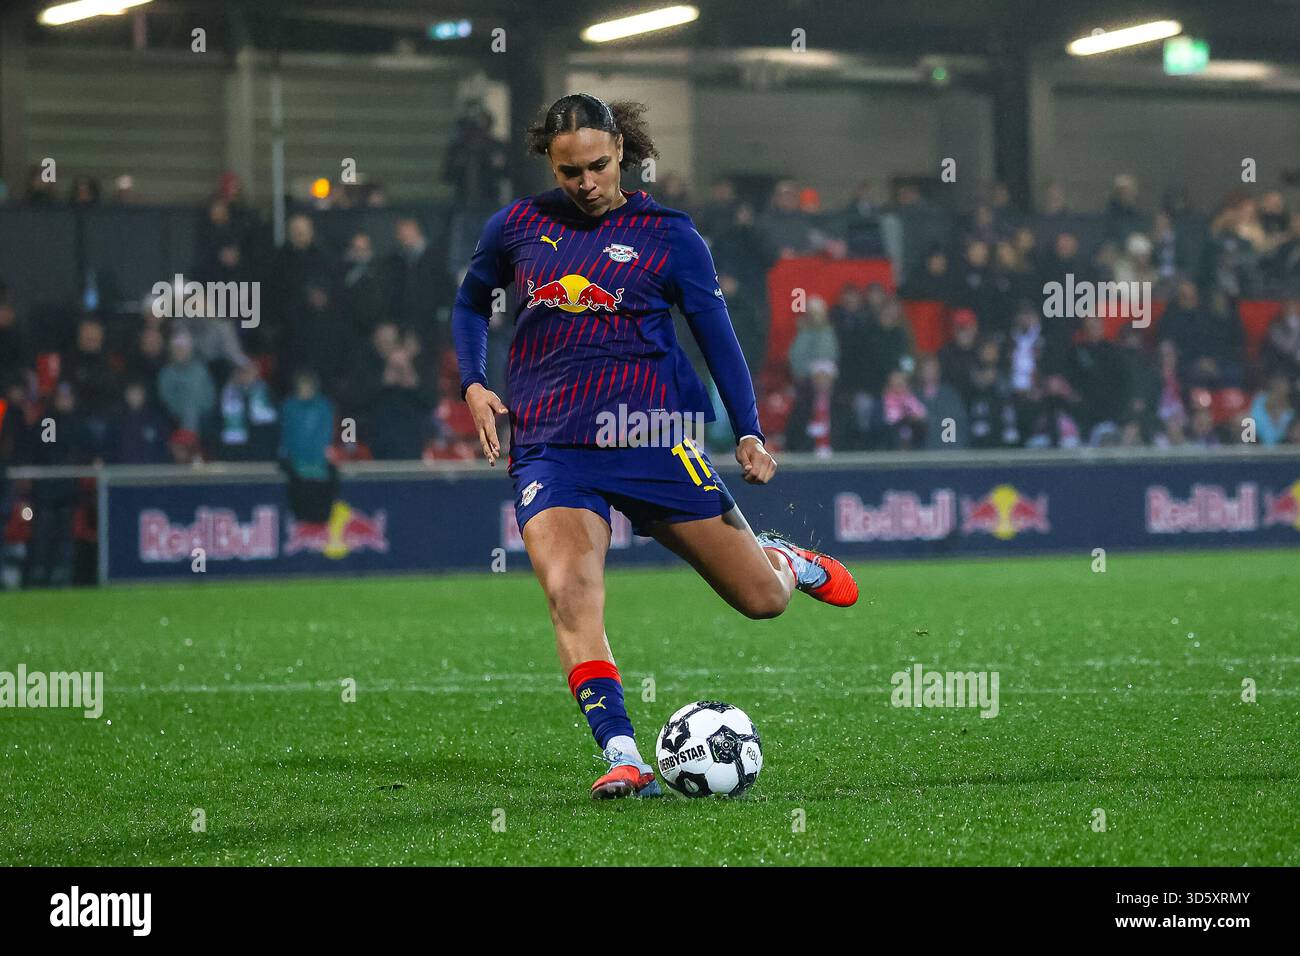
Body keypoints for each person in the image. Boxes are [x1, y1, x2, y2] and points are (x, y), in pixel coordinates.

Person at [451, 93, 858, 801]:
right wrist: (474, 383)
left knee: (761, 600)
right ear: (551, 161)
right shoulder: (516, 225)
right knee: (570, 593)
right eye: (568, 170)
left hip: (652, 438)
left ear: (623, 153)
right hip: (551, 445)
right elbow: (468, 301)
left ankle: (784, 559)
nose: (583, 183)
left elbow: (716, 335)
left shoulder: (669, 234)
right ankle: (623, 754)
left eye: (598, 167)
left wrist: (751, 428)